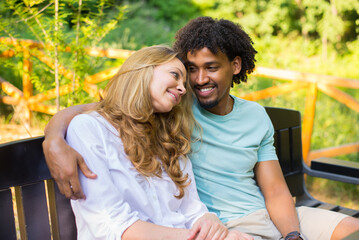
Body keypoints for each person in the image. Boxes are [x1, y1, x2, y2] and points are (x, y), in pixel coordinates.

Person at [43, 17, 359, 240]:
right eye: (188, 71)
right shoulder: (176, 108)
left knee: (351, 230)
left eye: (210, 68)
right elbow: (110, 108)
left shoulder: (240, 116)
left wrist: (293, 235)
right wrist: (54, 137)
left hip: (260, 216)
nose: (194, 82)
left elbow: (275, 190)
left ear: (235, 66)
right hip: (220, 227)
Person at [62, 45, 251, 240]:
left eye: (184, 83)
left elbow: (192, 210)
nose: (182, 88)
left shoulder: (169, 138)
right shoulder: (90, 128)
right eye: (175, 75)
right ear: (143, 70)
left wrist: (209, 221)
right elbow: (111, 224)